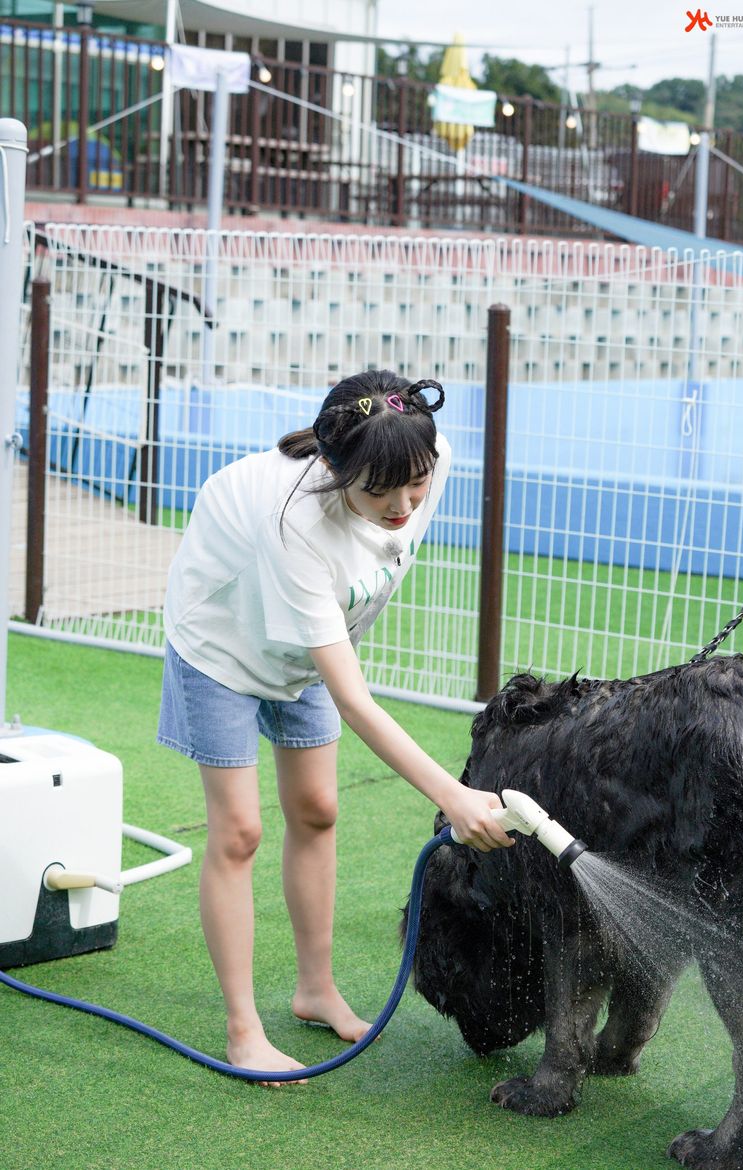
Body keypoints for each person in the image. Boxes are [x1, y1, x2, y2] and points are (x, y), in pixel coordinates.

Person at [157, 368, 514, 1083]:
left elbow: (338, 657)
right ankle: (242, 1028)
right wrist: (452, 795)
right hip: (222, 644)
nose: (402, 506)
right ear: (333, 468)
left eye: (412, 488)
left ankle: (314, 989)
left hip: (308, 644)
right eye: (378, 493)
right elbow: (356, 700)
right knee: (238, 832)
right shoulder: (296, 523)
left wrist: (402, 492)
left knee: (318, 810)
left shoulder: (424, 458)